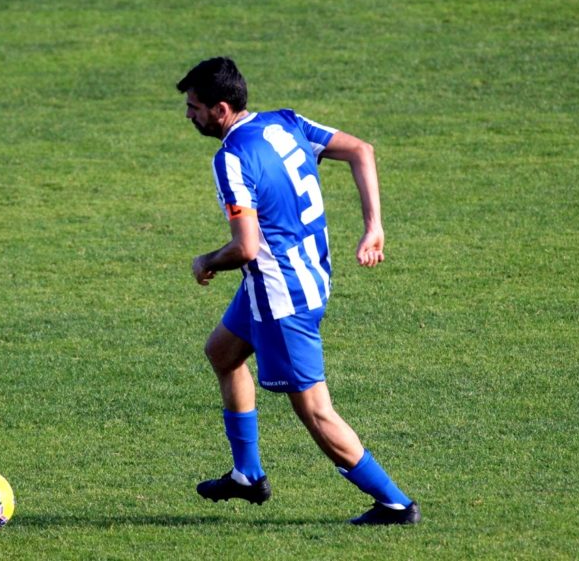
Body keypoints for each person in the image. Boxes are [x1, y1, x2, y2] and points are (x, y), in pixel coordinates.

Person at [176, 57, 420, 525]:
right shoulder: (285, 123)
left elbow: (246, 248)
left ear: (221, 108)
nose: (189, 116)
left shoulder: (230, 158)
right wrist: (374, 228)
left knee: (316, 413)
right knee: (222, 353)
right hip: (305, 274)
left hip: (280, 296)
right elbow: (361, 150)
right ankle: (247, 474)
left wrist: (206, 261)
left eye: (195, 107)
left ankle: (395, 504)